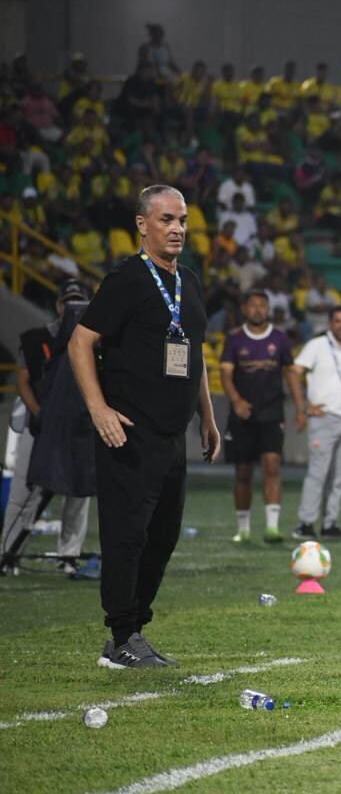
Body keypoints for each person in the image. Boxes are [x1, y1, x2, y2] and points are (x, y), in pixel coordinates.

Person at [68, 185, 220, 668]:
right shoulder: (127, 279)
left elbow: (194, 354)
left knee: (163, 537)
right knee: (127, 536)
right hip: (130, 432)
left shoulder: (189, 281)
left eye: (183, 221)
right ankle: (122, 636)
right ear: (142, 224)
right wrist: (98, 408)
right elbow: (79, 342)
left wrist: (208, 416)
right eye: (166, 220)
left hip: (172, 436)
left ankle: (132, 631)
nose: (177, 229)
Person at [1, 279, 95, 575]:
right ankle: (9, 553)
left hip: (79, 427)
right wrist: (41, 414)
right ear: (57, 305)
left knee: (79, 494)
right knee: (25, 491)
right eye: (68, 301)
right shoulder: (37, 338)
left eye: (79, 301)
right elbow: (24, 381)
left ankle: (68, 555)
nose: (72, 307)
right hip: (40, 427)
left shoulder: (96, 341)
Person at [221, 290, 305, 544]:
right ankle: (243, 529)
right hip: (243, 414)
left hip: (272, 412)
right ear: (244, 309)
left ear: (268, 309)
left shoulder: (279, 338)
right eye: (253, 305)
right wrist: (236, 401)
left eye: (262, 305)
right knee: (243, 471)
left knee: (272, 466)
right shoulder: (234, 338)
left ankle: (272, 527)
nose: (258, 310)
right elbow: (226, 374)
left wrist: (300, 408)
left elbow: (290, 373)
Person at [292, 305, 341, 540]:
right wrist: (303, 406)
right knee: (318, 473)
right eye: (338, 321)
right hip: (323, 418)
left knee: (339, 477)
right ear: (330, 323)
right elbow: (294, 372)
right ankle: (305, 523)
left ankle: (330, 523)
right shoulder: (317, 346)